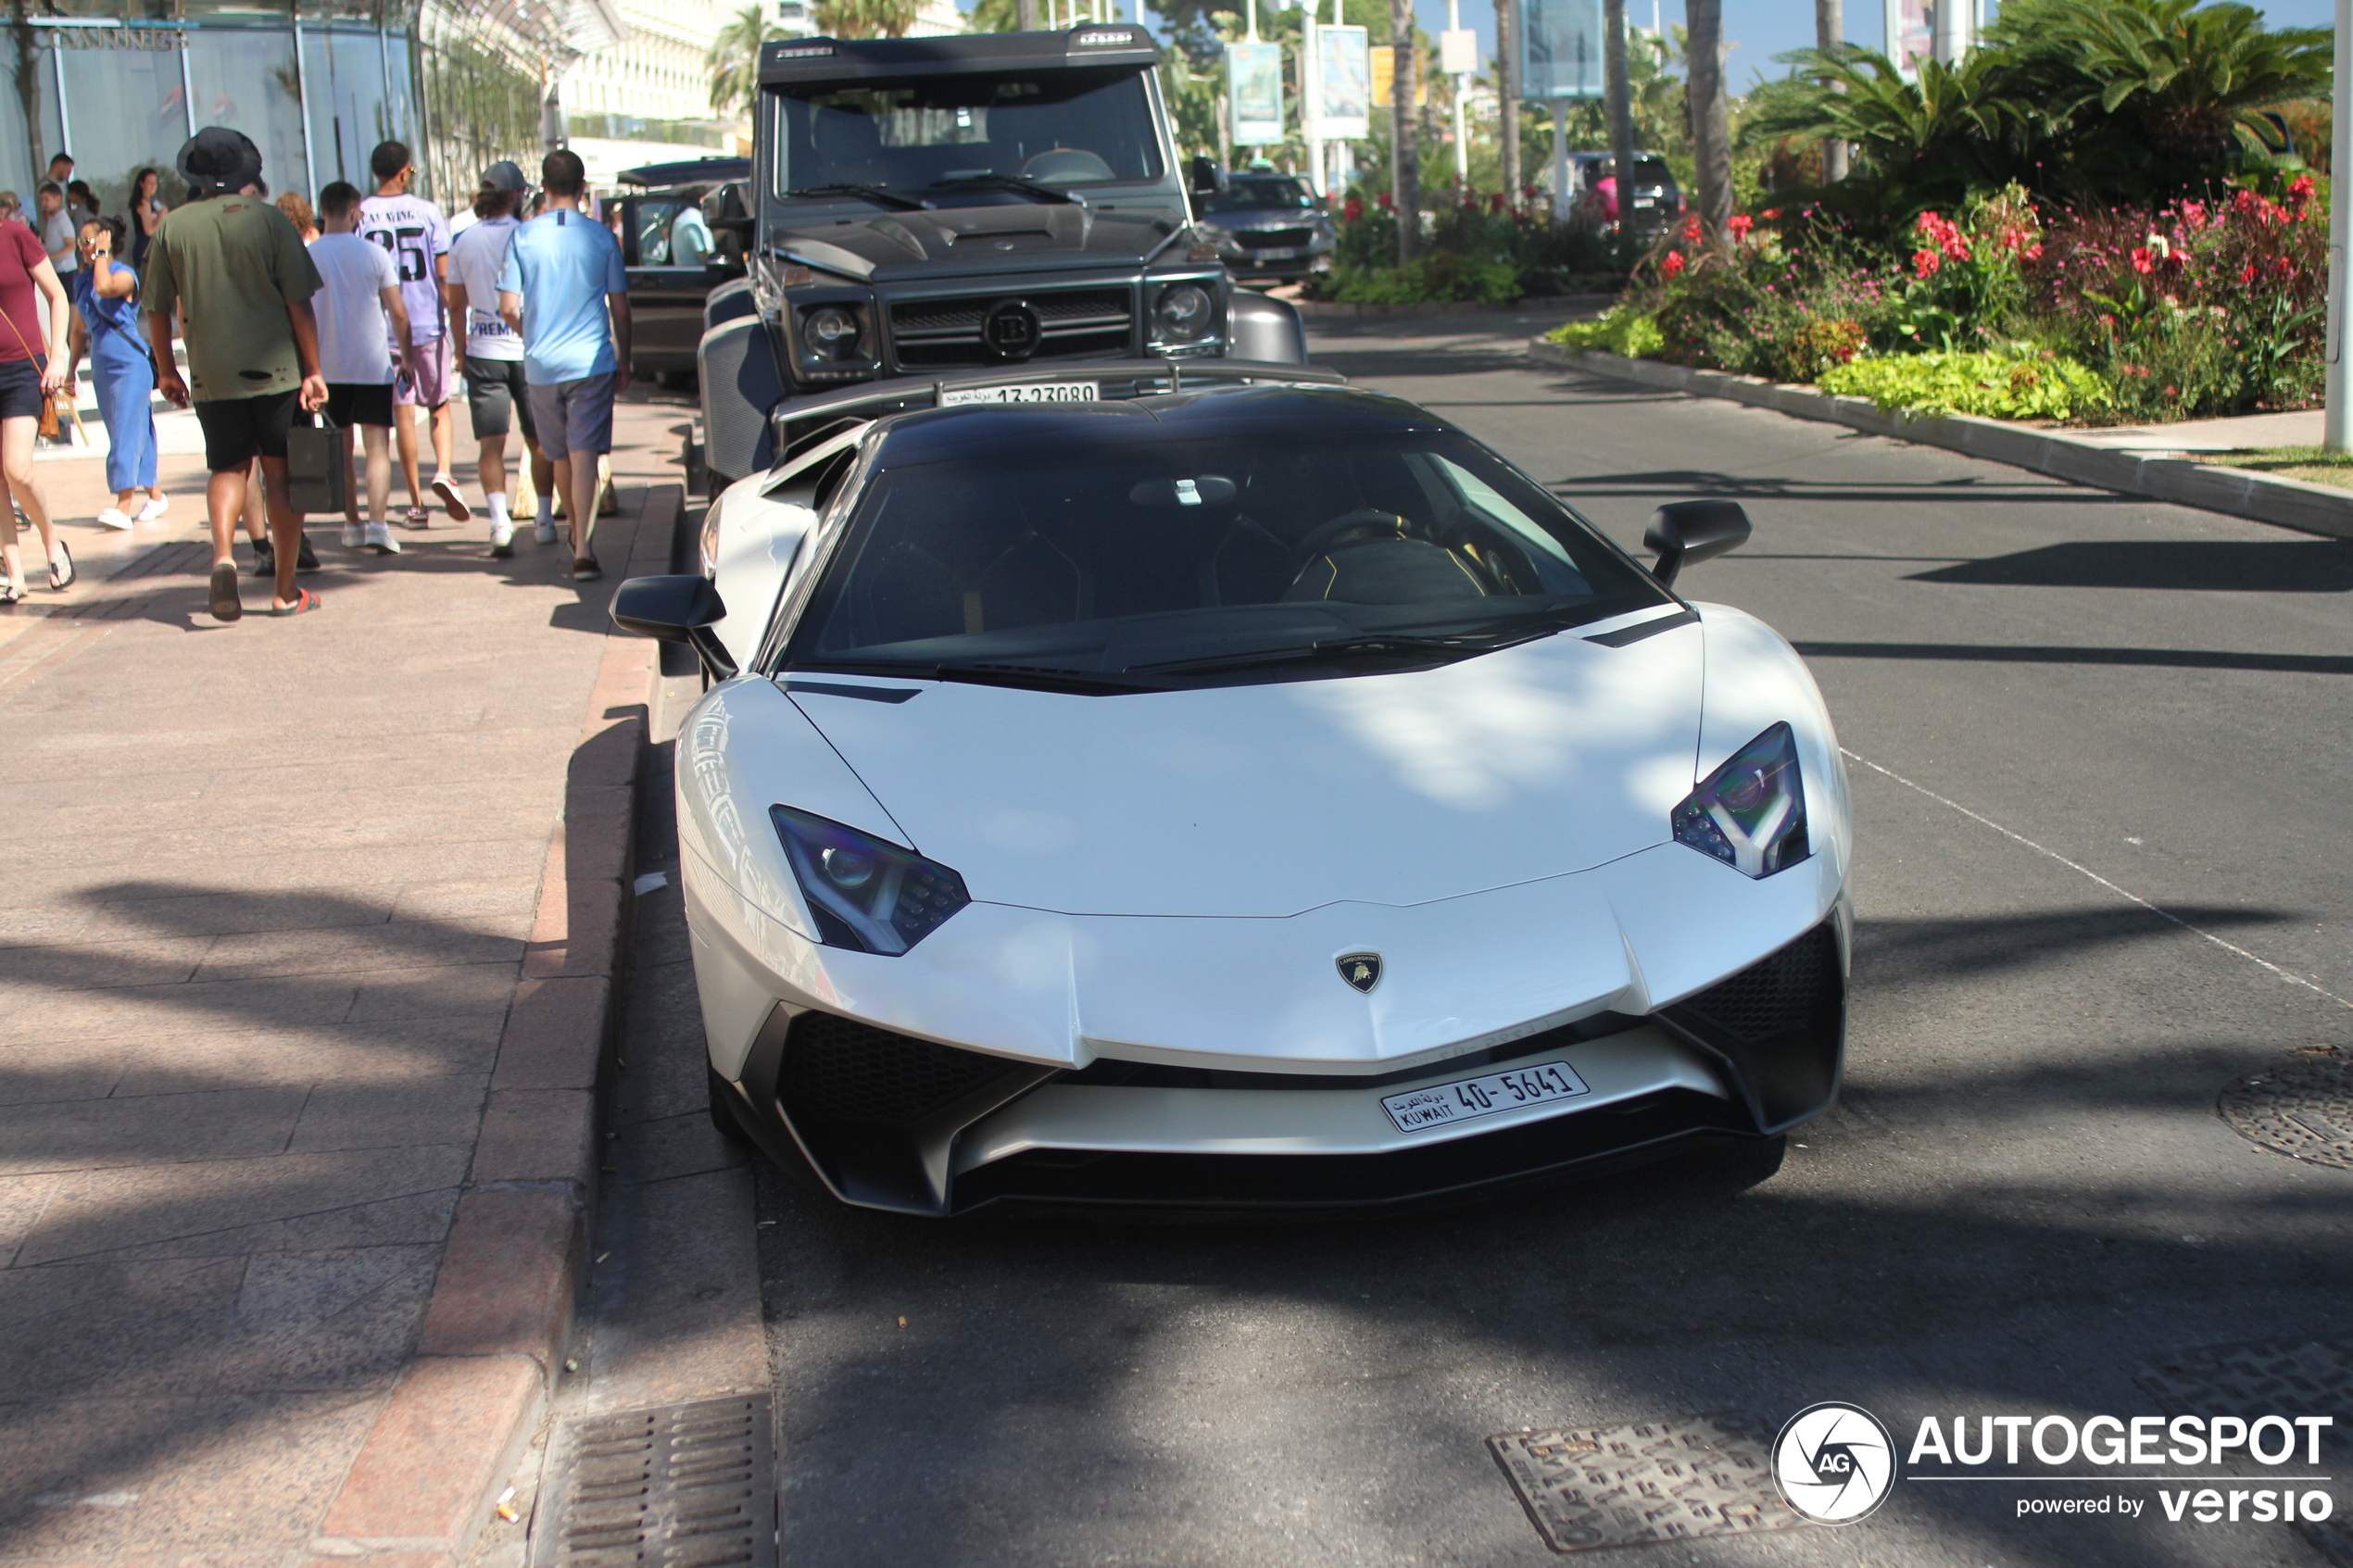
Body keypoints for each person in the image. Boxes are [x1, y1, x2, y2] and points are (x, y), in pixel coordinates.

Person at [144, 127, 328, 621]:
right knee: (282, 473)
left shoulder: (172, 228)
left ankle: (224, 554)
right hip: (280, 373)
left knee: (228, 468)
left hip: (211, 374)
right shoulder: (271, 222)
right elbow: (299, 303)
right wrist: (314, 370)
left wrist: (166, 370)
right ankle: (286, 591)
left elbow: (156, 309)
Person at [497, 147, 629, 582]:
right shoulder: (600, 237)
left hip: (541, 363)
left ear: (543, 186)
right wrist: (625, 357)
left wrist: (532, 335)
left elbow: (508, 307)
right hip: (591, 359)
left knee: (557, 453)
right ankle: (584, 548)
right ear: (582, 187)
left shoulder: (523, 237)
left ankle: (574, 535)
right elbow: (621, 307)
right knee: (585, 452)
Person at [359, 140, 468, 530]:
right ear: (405, 171)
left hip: (382, 326)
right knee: (438, 406)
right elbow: (442, 272)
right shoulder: (427, 212)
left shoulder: (362, 214)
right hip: (426, 320)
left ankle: (416, 505)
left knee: (402, 414)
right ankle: (442, 471)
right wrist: (453, 316)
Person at [448, 159, 552, 557]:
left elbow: (456, 306)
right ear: (513, 196)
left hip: (483, 350)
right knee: (538, 439)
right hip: (526, 349)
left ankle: (499, 524)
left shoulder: (463, 240)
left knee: (490, 445)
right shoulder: (526, 235)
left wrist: (460, 350)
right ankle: (543, 521)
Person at [310, 181, 410, 556]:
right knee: (377, 447)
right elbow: (398, 313)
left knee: (342, 450)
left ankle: (351, 522)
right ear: (355, 213)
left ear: (323, 211)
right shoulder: (374, 254)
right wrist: (408, 357)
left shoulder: (310, 254)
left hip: (327, 366)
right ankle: (378, 524)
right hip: (371, 363)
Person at [64, 218, 166, 531]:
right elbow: (80, 327)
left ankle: (123, 505)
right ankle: (156, 495)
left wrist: (102, 255)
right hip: (103, 366)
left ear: (104, 241)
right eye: (80, 242)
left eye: (88, 241)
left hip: (130, 365)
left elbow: (105, 287)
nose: (83, 248)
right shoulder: (83, 281)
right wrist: (71, 370)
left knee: (125, 430)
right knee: (132, 429)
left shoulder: (124, 275)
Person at [0, 195, 70, 600]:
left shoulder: (17, 236)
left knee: (16, 469)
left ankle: (52, 541)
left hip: (21, 368)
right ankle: (15, 574)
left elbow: (57, 295)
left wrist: (58, 355)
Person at [127, 167, 165, 270]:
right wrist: (161, 215)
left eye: (155, 182)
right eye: (149, 183)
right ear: (141, 183)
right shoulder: (143, 203)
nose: (153, 186)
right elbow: (149, 230)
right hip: (145, 246)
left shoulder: (152, 201)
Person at [36, 182, 75, 278]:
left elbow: (71, 245)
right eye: (42, 200)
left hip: (65, 268)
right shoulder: (52, 219)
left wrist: (51, 257)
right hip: (56, 268)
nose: (44, 203)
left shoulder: (62, 220)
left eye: (47, 199)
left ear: (57, 199)